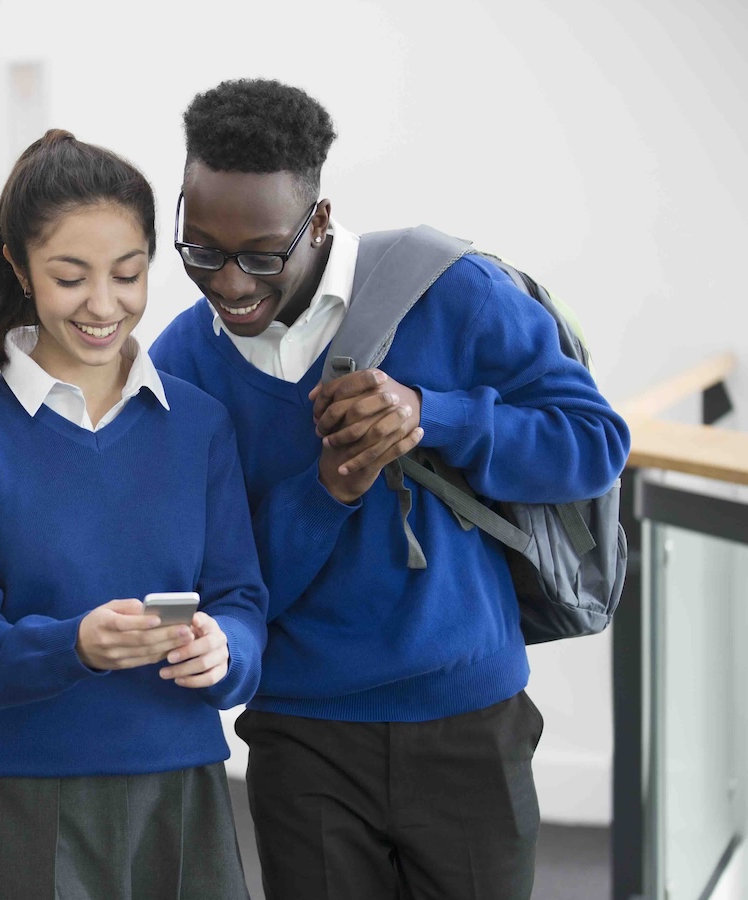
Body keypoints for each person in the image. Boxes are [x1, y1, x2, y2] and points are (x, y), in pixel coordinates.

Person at [150, 79, 631, 900]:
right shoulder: (183, 367)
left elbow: (594, 446)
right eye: (200, 250)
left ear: (321, 221)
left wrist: (434, 416)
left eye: (262, 254)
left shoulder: (451, 291)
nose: (230, 284)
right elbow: (215, 586)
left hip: (469, 720)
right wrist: (326, 492)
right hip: (302, 735)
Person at [0, 129, 267, 900]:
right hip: (25, 798)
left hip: (181, 790)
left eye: (129, 274)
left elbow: (241, 599)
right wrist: (74, 644)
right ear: (19, 265)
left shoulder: (198, 425)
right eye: (71, 278)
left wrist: (226, 654)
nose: (104, 306)